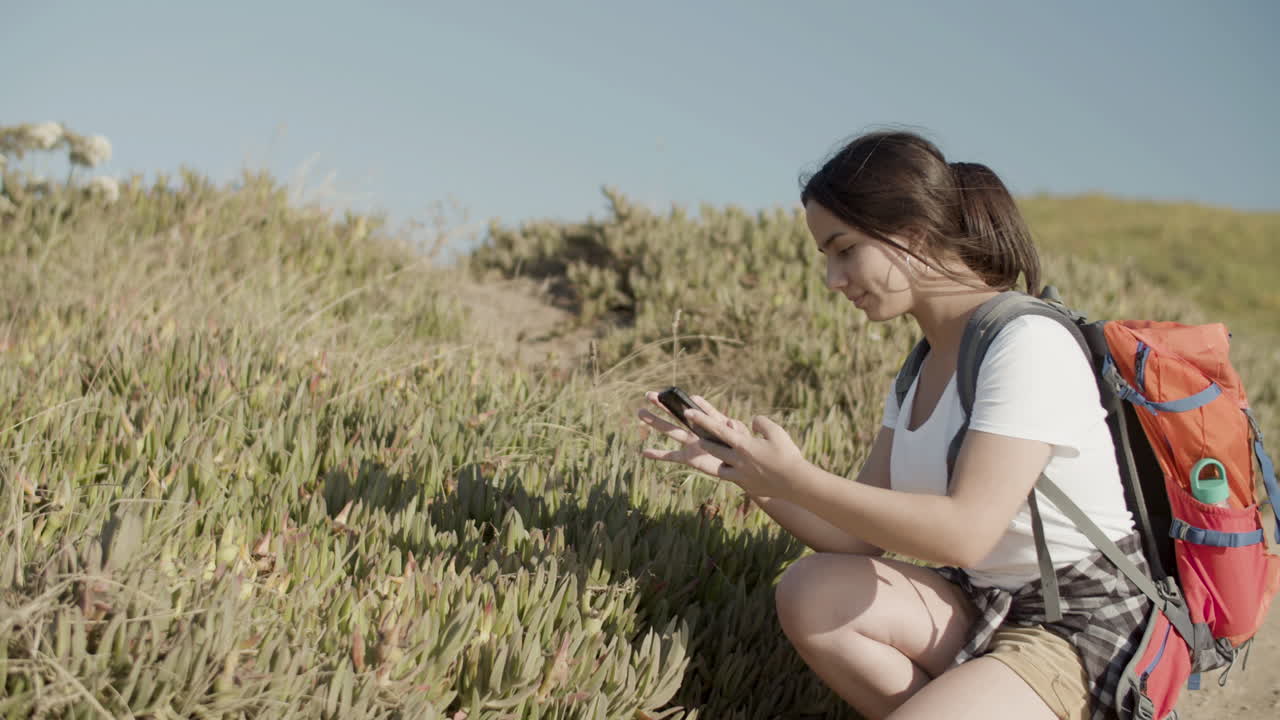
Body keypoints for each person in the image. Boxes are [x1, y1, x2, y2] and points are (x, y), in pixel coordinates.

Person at [636, 130, 1151, 720]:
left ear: (913, 234)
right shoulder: (921, 365)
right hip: (986, 602)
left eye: (844, 248)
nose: (833, 279)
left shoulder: (1026, 342)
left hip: (1080, 624)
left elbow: (964, 534)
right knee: (812, 592)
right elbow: (855, 540)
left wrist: (798, 476)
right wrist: (749, 472)